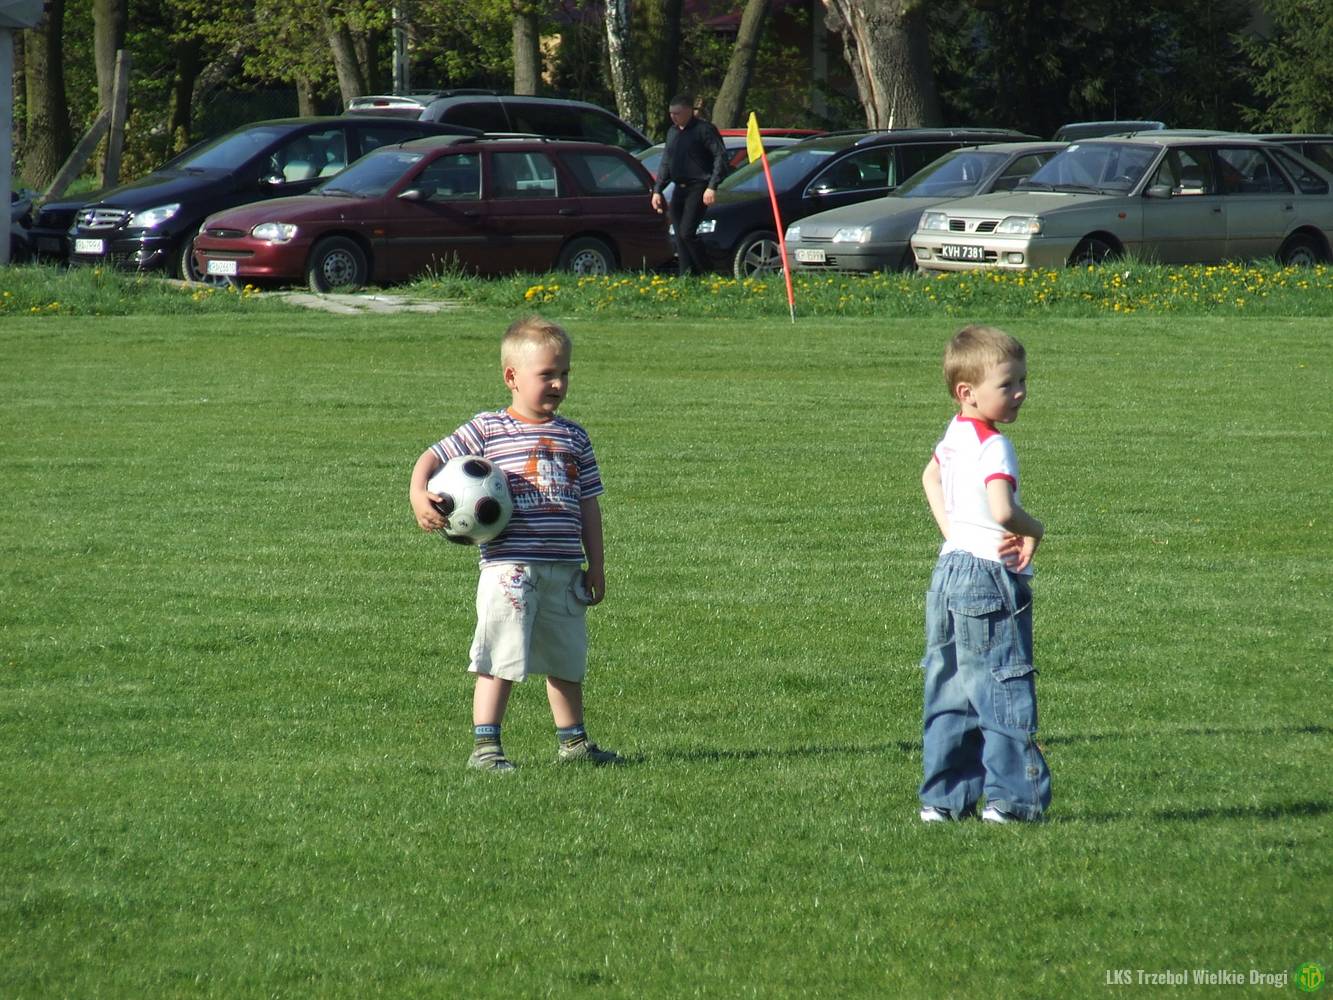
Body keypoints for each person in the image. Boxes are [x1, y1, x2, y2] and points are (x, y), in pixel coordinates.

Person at [409, 315, 619, 772]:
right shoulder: (488, 428)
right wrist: (418, 494)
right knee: (500, 656)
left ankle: (574, 743)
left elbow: (589, 506)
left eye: (564, 373)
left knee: (566, 659)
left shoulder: (575, 437)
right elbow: (432, 456)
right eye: (547, 374)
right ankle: (486, 747)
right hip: (510, 569)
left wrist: (597, 565)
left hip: (564, 569)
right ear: (512, 377)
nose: (558, 383)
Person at [918, 325, 1051, 823]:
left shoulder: (955, 433)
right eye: (1007, 384)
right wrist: (1035, 529)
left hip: (949, 569)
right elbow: (1002, 511)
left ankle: (943, 801)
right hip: (989, 576)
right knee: (1002, 686)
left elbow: (930, 476)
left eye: (1023, 380)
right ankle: (1013, 802)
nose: (1020, 392)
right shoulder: (995, 445)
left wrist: (952, 531)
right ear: (967, 392)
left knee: (950, 689)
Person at [650, 94, 728, 277]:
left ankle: (708, 272)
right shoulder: (672, 132)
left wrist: (712, 186)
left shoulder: (704, 130)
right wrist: (657, 190)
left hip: (699, 186)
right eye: (671, 113)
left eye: (677, 113)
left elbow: (720, 156)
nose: (673, 117)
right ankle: (686, 276)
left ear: (688, 111)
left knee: (687, 232)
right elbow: (666, 162)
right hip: (679, 187)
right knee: (678, 235)